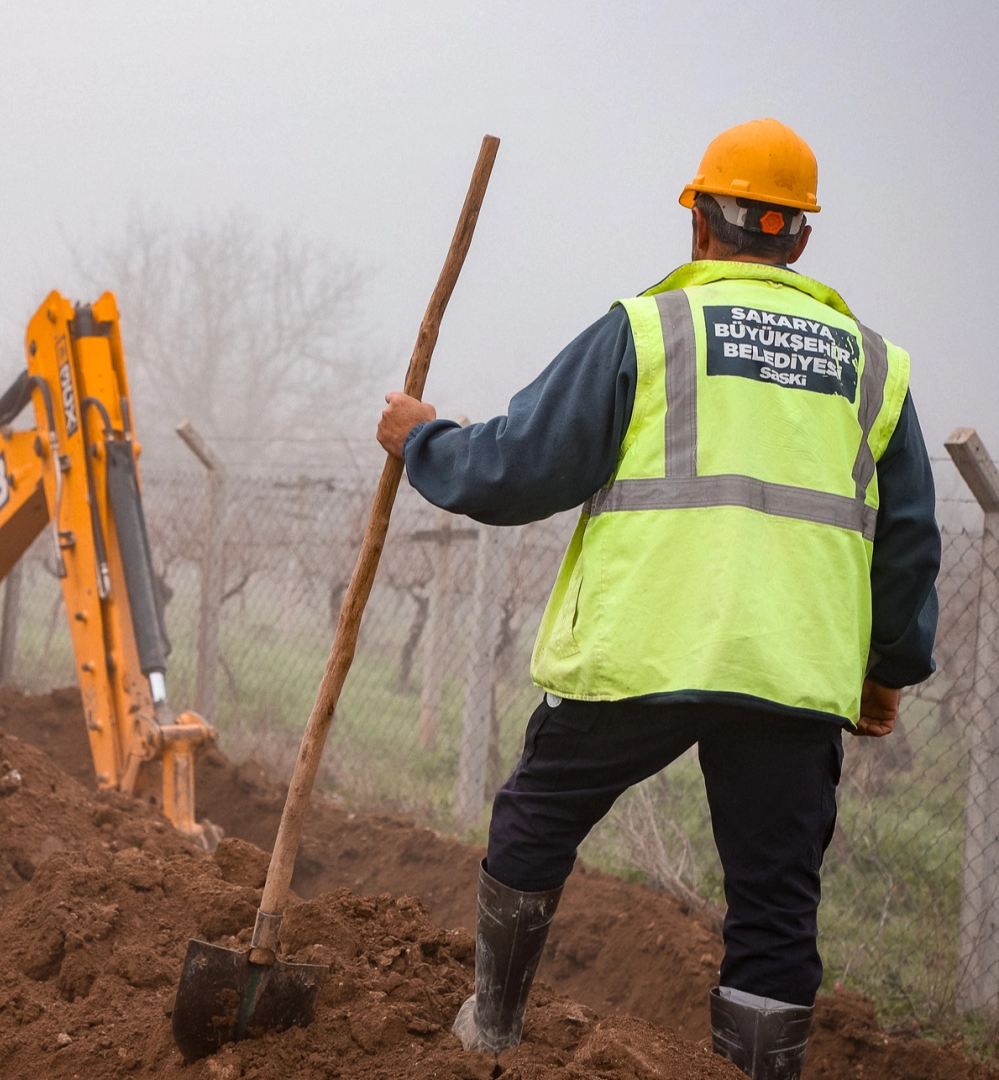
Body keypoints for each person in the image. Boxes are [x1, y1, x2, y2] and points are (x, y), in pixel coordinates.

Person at [376, 119, 939, 1079]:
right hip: (791, 671)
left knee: (535, 824)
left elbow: (519, 469)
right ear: (800, 238)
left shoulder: (648, 329)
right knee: (772, 905)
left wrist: (423, 441)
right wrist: (888, 672)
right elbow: (908, 540)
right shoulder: (872, 366)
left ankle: (494, 1031)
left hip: (642, 649)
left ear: (697, 224)